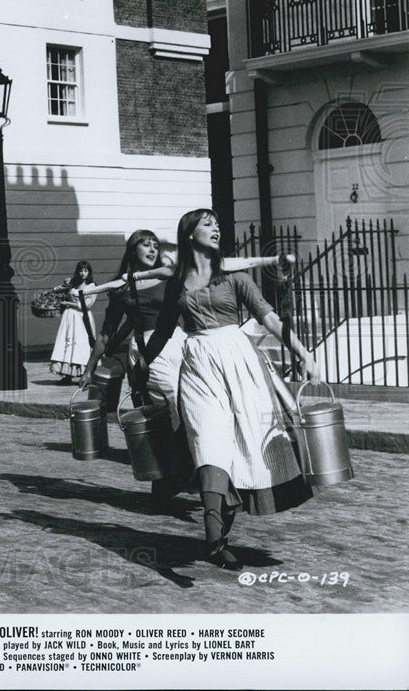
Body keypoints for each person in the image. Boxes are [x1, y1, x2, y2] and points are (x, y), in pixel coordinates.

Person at [142, 209, 320, 570]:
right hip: (197, 367)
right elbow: (162, 331)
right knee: (208, 441)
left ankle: (219, 534)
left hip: (240, 365)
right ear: (189, 233)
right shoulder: (176, 284)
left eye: (217, 224)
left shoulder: (236, 279)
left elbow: (271, 320)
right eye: (207, 223)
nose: (216, 228)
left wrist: (305, 354)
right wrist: (141, 366)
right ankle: (212, 538)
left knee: (240, 450)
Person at [78, 230, 191, 509]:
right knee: (173, 405)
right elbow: (106, 333)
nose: (152, 250)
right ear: (132, 251)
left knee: (186, 407)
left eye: (155, 245)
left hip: (176, 343)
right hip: (146, 352)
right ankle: (174, 473)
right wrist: (89, 369)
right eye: (145, 245)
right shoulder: (121, 289)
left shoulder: (168, 277)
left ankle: (170, 477)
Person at [48, 260, 97, 384]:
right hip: (69, 317)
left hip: (82, 317)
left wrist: (68, 303)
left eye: (85, 271)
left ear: (89, 272)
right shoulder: (73, 283)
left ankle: (84, 374)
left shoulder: (91, 286)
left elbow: (87, 305)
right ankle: (67, 375)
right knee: (67, 342)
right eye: (80, 270)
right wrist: (54, 289)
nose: (82, 273)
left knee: (81, 343)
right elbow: (59, 289)